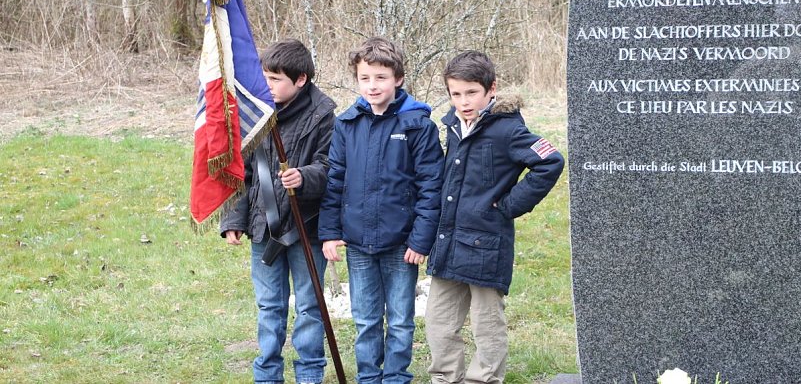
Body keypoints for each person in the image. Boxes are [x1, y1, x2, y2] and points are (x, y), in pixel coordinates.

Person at [425, 50, 565, 384]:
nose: (463, 101)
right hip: (449, 241)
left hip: (487, 243)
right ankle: (446, 379)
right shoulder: (453, 126)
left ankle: (483, 380)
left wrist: (508, 205)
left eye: (471, 92)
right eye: (455, 94)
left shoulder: (508, 130)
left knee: (486, 324)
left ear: (491, 88)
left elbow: (551, 162)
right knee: (438, 322)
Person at [319, 36, 444, 384]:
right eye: (365, 78)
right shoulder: (347, 124)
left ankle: (396, 377)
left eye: (381, 78)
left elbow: (430, 187)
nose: (372, 86)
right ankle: (369, 377)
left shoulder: (418, 125)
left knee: (401, 318)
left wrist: (420, 241)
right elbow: (335, 181)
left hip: (402, 244)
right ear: (357, 80)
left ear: (398, 79)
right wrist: (330, 232)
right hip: (358, 241)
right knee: (366, 318)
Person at [220, 38, 336, 384]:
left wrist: (306, 176)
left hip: (306, 227)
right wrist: (234, 219)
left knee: (309, 306)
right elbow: (244, 173)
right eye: (264, 77)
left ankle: (310, 374)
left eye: (275, 79)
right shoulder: (257, 113)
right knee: (270, 306)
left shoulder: (324, 116)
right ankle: (268, 374)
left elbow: (332, 167)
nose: (266, 86)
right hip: (264, 227)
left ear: (300, 80)